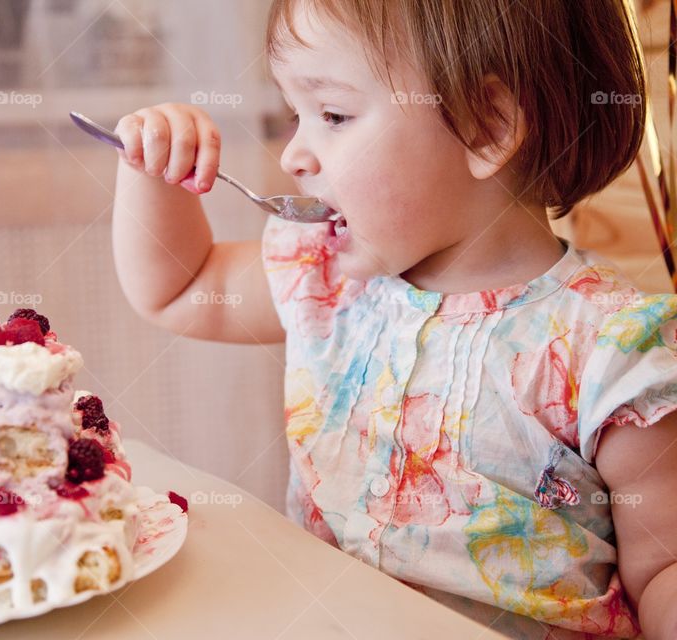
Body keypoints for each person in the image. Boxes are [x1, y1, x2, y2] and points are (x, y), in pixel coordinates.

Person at [111, 1, 676, 637]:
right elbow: (180, 288)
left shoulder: (613, 346)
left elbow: (663, 569)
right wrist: (152, 173)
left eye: (333, 115)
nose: (295, 153)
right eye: (297, 115)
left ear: (486, 126)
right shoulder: (324, 278)